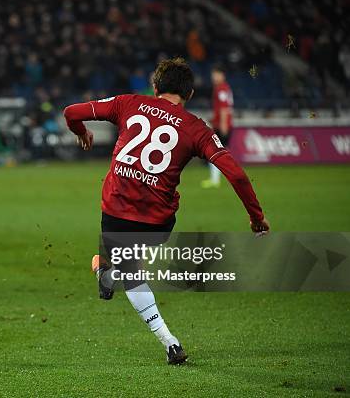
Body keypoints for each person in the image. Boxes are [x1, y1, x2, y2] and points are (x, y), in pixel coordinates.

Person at [63, 58, 269, 365]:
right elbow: (237, 175)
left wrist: (81, 132)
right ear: (189, 94)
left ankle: (110, 274)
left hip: (116, 211)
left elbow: (71, 112)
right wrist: (256, 216)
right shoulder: (196, 128)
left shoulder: (128, 103)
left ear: (155, 86)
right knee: (132, 266)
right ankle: (170, 343)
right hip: (157, 222)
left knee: (128, 270)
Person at [202, 64, 234, 188]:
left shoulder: (221, 89)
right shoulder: (224, 88)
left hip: (221, 125)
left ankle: (215, 180)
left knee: (215, 152)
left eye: (216, 74)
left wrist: (223, 125)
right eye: (213, 75)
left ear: (222, 75)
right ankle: (217, 178)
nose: (214, 77)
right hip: (221, 123)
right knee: (220, 152)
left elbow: (224, 108)